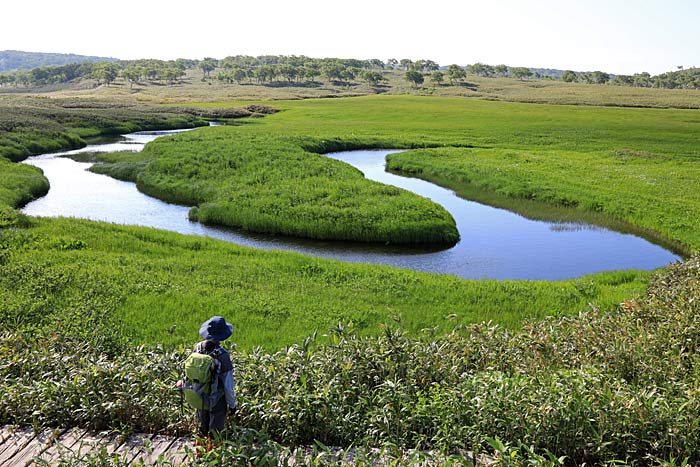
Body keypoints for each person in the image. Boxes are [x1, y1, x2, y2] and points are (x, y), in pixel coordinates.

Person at [177, 316, 237, 453]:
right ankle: (212, 458)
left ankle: (199, 455)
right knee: (216, 432)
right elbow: (228, 386)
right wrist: (232, 406)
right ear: (222, 336)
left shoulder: (197, 348)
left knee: (202, 427)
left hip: (199, 395)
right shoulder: (223, 356)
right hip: (216, 400)